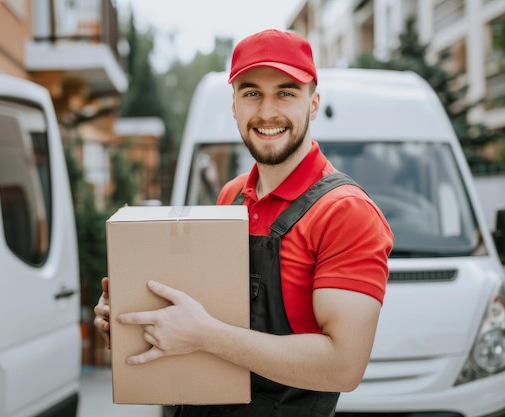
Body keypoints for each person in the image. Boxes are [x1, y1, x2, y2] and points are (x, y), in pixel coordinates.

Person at [94, 29, 393, 416]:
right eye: (252, 93)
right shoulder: (232, 197)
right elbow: (200, 321)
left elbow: (343, 366)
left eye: (286, 92)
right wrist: (133, 322)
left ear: (314, 104)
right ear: (234, 105)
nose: (267, 112)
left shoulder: (345, 213)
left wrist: (205, 335)